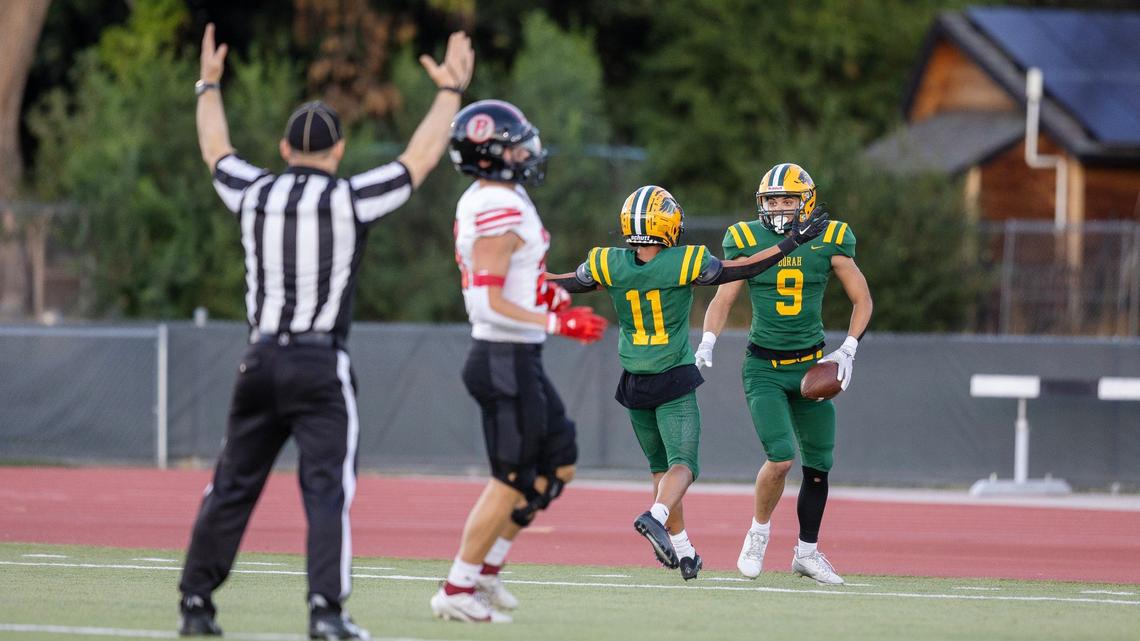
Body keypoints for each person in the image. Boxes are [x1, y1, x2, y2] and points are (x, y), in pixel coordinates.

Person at [177, 24, 473, 639]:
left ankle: (196, 605)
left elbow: (215, 150)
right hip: (319, 365)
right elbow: (417, 161)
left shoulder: (254, 191)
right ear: (337, 153)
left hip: (258, 361)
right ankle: (326, 614)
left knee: (231, 485)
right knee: (325, 493)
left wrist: (208, 84)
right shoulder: (350, 197)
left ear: (284, 150)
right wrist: (450, 93)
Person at [547, 185, 828, 580]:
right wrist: (792, 242)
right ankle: (655, 514)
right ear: (669, 223)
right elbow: (743, 268)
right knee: (684, 466)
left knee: (660, 469)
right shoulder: (685, 261)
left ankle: (683, 551)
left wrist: (522, 276)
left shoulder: (607, 262)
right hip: (672, 375)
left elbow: (565, 283)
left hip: (633, 380)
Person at [431, 99, 608, 623]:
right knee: (510, 477)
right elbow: (485, 302)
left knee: (559, 463)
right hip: (501, 357)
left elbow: (516, 281)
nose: (526, 149)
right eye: (513, 142)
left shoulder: (504, 196)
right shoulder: (495, 206)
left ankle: (486, 573)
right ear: (489, 155)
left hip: (517, 356)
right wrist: (558, 323)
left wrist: (548, 300)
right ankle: (458, 589)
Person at [695, 163, 872, 585]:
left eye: (787, 199)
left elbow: (862, 298)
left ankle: (806, 553)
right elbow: (724, 297)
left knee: (818, 465)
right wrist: (707, 340)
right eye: (772, 200)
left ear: (806, 201)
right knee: (780, 458)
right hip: (764, 369)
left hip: (810, 367)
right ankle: (758, 533)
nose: (778, 207)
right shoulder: (745, 238)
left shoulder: (830, 238)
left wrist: (848, 347)